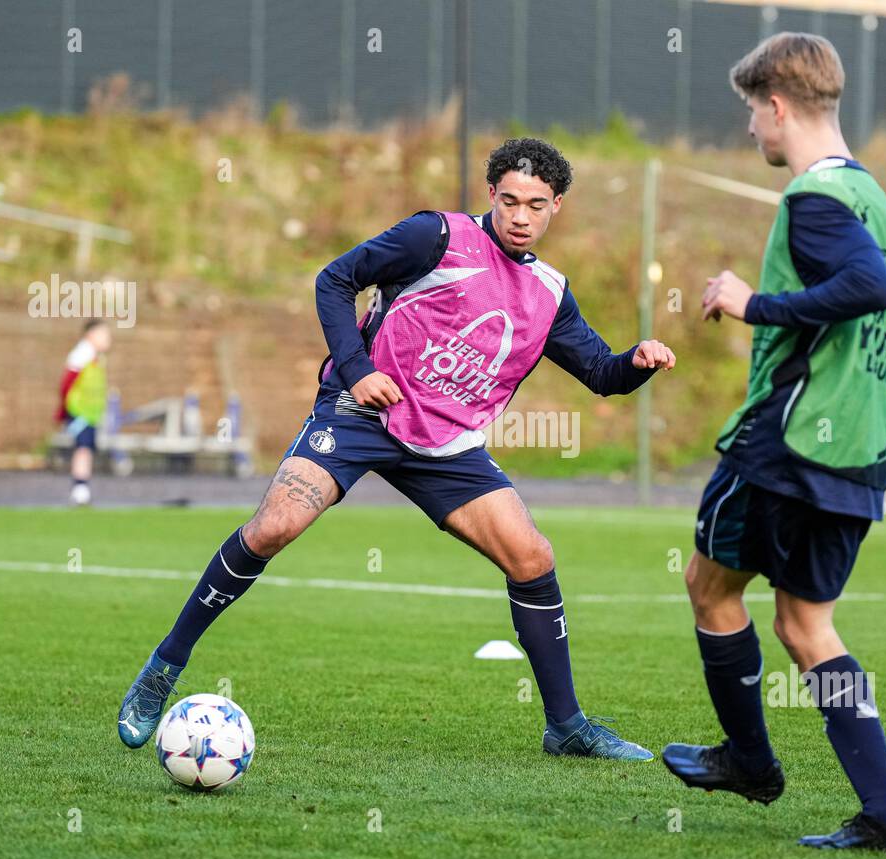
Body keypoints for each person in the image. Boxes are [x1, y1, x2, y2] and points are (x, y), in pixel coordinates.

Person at [118, 137, 676, 761]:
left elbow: (601, 373)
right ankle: (165, 666)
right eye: (510, 200)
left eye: (536, 205)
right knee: (274, 526)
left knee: (531, 555)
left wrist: (638, 361)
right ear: (491, 194)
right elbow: (334, 280)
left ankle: (566, 727)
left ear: (556, 208)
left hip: (446, 443)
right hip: (362, 411)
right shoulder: (434, 237)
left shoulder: (549, 293)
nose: (521, 216)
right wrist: (356, 370)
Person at [661, 33, 886, 853]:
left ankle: (750, 760)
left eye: (753, 113)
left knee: (710, 586)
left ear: (777, 106)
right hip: (856, 456)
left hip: (786, 450)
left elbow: (871, 288)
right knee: (805, 625)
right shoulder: (875, 198)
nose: (752, 129)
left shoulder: (812, 200)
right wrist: (864, 398)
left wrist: (752, 304)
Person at [55, 319, 111, 506]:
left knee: (87, 449)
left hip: (91, 413)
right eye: (104, 334)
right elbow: (67, 382)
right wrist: (63, 409)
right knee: (82, 448)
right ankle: (80, 488)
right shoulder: (82, 353)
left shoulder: (97, 356)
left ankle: (83, 487)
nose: (108, 338)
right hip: (79, 411)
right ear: (91, 334)